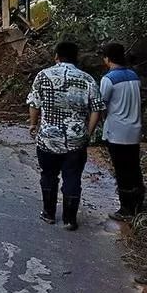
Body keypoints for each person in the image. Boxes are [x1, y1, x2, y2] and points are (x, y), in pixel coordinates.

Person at [27, 41, 104, 230]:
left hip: (48, 139)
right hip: (76, 140)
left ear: (56, 56)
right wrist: (88, 132)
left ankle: (49, 214)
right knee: (72, 177)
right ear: (76, 57)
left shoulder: (43, 76)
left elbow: (34, 104)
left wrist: (33, 124)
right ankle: (70, 219)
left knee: (49, 175)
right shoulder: (87, 79)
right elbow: (96, 109)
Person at [100, 42, 145, 221]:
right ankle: (138, 203)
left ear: (107, 58)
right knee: (134, 167)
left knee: (121, 171)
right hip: (134, 130)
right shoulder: (134, 76)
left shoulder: (109, 79)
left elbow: (100, 104)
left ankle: (126, 208)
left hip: (117, 131)